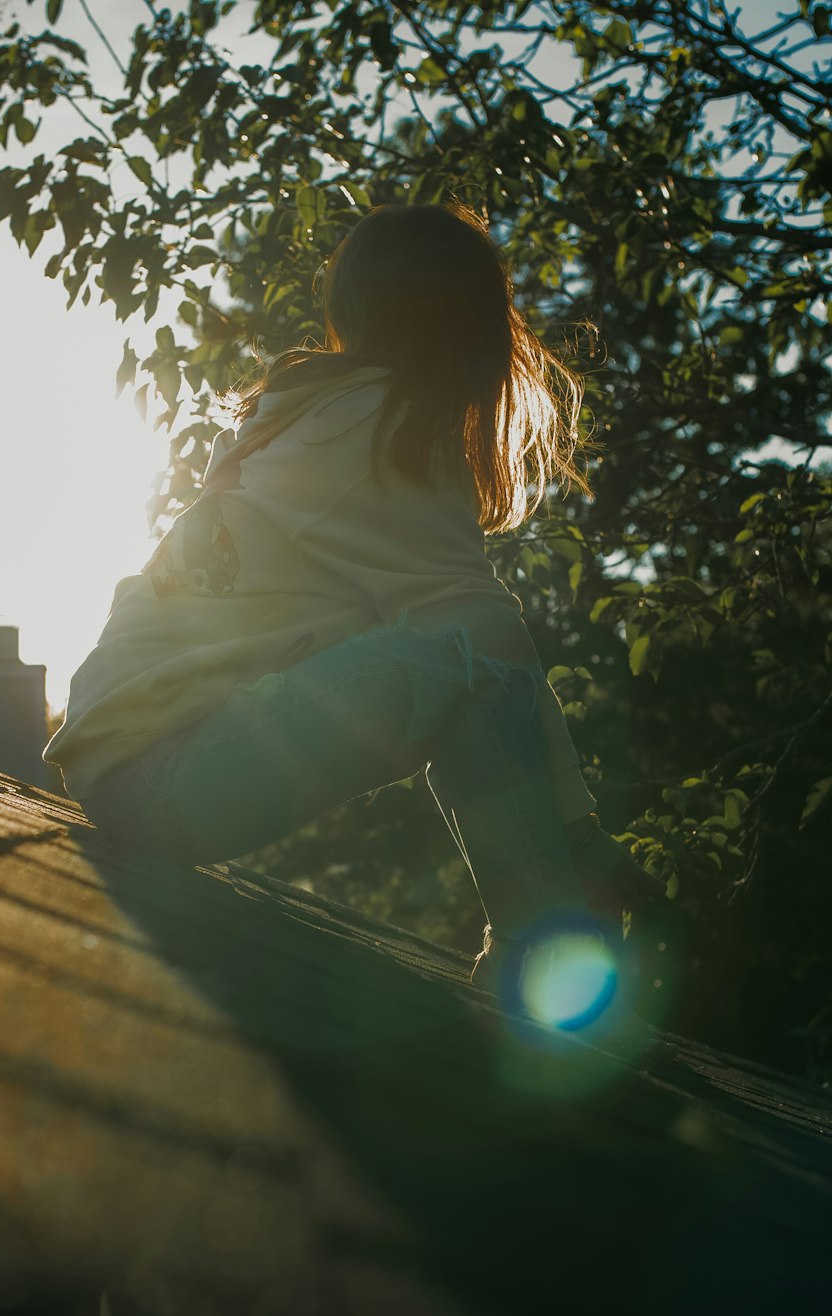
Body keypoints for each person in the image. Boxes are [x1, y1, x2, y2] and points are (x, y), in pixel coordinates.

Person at [44, 200, 662, 1011]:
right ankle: (543, 968)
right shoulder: (386, 429)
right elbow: (489, 635)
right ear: (471, 324)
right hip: (173, 776)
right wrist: (578, 833)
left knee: (472, 669)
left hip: (130, 767)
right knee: (476, 672)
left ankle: (540, 955)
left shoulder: (313, 412)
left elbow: (475, 629)